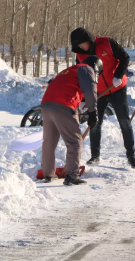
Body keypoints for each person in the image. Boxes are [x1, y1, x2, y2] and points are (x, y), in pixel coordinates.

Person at [70, 28, 135, 169]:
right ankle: (95, 156)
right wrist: (83, 100)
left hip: (117, 87)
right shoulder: (80, 55)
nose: (81, 47)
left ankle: (131, 155)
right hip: (98, 93)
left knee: (124, 121)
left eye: (82, 43)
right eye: (78, 45)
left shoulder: (107, 43)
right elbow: (81, 77)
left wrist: (118, 75)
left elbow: (125, 57)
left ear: (89, 39)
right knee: (95, 123)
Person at [41, 56, 101, 185]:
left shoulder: (70, 70)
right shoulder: (87, 69)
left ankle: (48, 175)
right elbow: (90, 90)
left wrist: (82, 102)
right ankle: (72, 176)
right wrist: (93, 112)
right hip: (64, 105)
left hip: (47, 104)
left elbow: (67, 87)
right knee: (74, 141)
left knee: (49, 142)